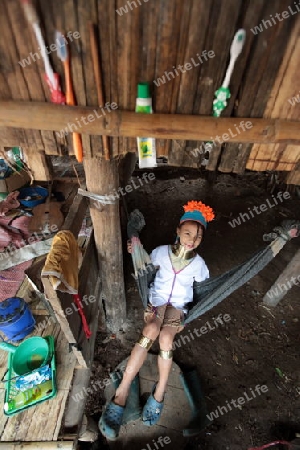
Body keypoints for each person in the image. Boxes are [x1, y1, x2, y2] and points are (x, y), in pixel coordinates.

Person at [99, 200, 215, 440]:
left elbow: (205, 287)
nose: (191, 240)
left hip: (179, 306)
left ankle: (159, 391)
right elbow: (146, 267)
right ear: (178, 231)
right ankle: (121, 393)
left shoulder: (199, 264)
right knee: (151, 328)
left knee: (165, 337)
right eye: (187, 233)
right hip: (157, 300)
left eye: (198, 237)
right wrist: (136, 252)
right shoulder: (162, 252)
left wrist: (192, 310)